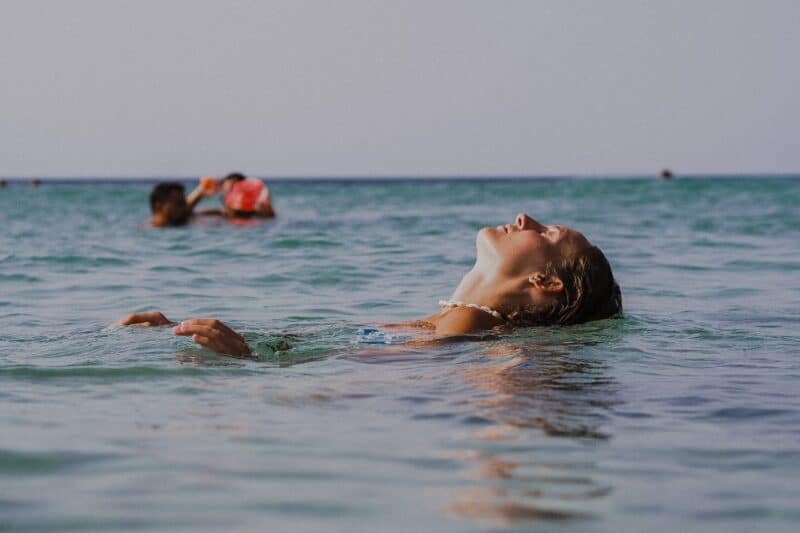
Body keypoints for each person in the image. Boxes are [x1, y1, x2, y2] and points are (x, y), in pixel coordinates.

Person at [119, 213, 622, 356]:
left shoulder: (469, 325)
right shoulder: (448, 320)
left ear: (545, 281)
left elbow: (361, 377)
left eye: (549, 233)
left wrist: (245, 360)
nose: (525, 217)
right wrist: (184, 327)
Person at [193, 172, 276, 219]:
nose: (234, 195)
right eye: (228, 191)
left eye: (237, 190)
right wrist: (199, 193)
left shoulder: (260, 215)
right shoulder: (216, 214)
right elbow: (184, 216)